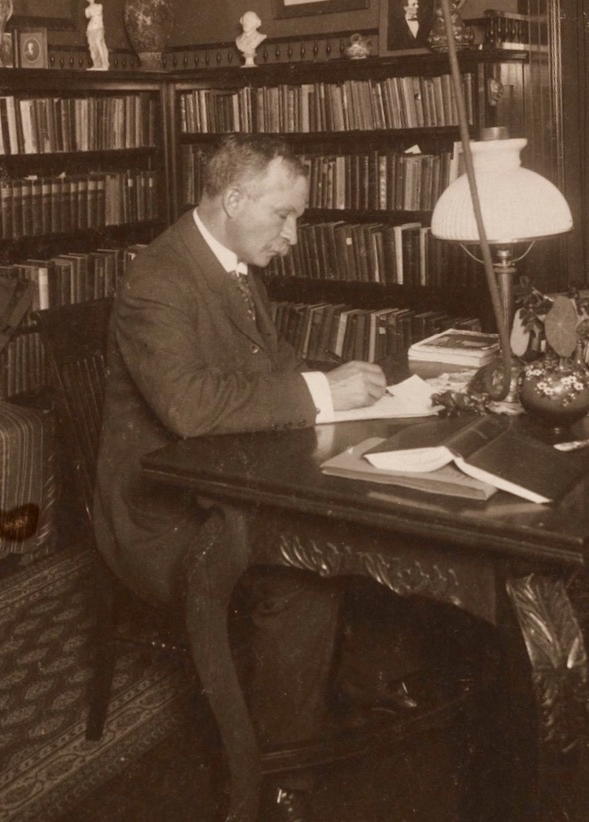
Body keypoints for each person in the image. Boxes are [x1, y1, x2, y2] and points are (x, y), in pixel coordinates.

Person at [93, 133, 390, 821]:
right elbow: (192, 406)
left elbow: (269, 367)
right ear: (233, 198)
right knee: (305, 576)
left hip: (226, 478)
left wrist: (346, 394)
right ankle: (283, 781)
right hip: (159, 513)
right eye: (282, 215)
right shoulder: (159, 281)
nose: (293, 235)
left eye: (298, 217)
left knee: (363, 512)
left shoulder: (230, 261)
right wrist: (320, 394)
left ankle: (360, 686)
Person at [85, 0, 109, 71]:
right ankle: (96, 64)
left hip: (98, 28)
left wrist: (92, 12)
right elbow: (87, 15)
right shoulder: (87, 9)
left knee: (98, 42)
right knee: (92, 47)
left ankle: (104, 64)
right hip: (91, 28)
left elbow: (97, 12)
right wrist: (92, 12)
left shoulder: (99, 6)